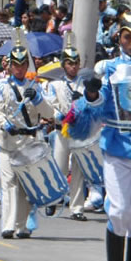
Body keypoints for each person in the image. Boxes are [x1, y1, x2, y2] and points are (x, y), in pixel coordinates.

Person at [65, 3, 131, 261]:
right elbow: (94, 110)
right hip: (116, 147)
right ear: (119, 38)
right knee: (118, 211)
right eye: (127, 36)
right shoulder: (107, 69)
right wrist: (92, 94)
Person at [0, 35, 53, 238]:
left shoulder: (35, 86)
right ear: (10, 66)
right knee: (9, 183)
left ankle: (22, 225)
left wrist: (38, 100)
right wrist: (4, 124)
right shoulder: (1, 85)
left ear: (27, 65)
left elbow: (49, 114)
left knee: (26, 184)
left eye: (23, 64)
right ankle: (8, 225)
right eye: (16, 65)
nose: (19, 68)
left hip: (28, 141)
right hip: (8, 140)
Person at [44, 35, 87, 220]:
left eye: (76, 63)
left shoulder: (84, 84)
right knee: (59, 166)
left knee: (78, 170)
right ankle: (53, 200)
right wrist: (57, 116)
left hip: (79, 130)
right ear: (64, 65)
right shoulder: (55, 85)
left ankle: (77, 207)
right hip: (62, 129)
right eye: (70, 63)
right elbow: (49, 105)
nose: (74, 67)